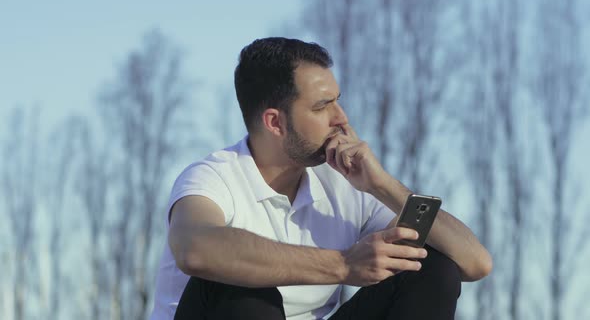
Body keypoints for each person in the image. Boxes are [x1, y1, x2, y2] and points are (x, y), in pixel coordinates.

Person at [149, 37, 492, 320]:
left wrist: (381, 185)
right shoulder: (213, 177)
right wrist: (343, 265)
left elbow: (475, 262)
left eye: (337, 102)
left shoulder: (345, 185)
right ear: (275, 122)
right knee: (237, 283)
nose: (341, 119)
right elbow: (194, 249)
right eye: (321, 106)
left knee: (429, 268)